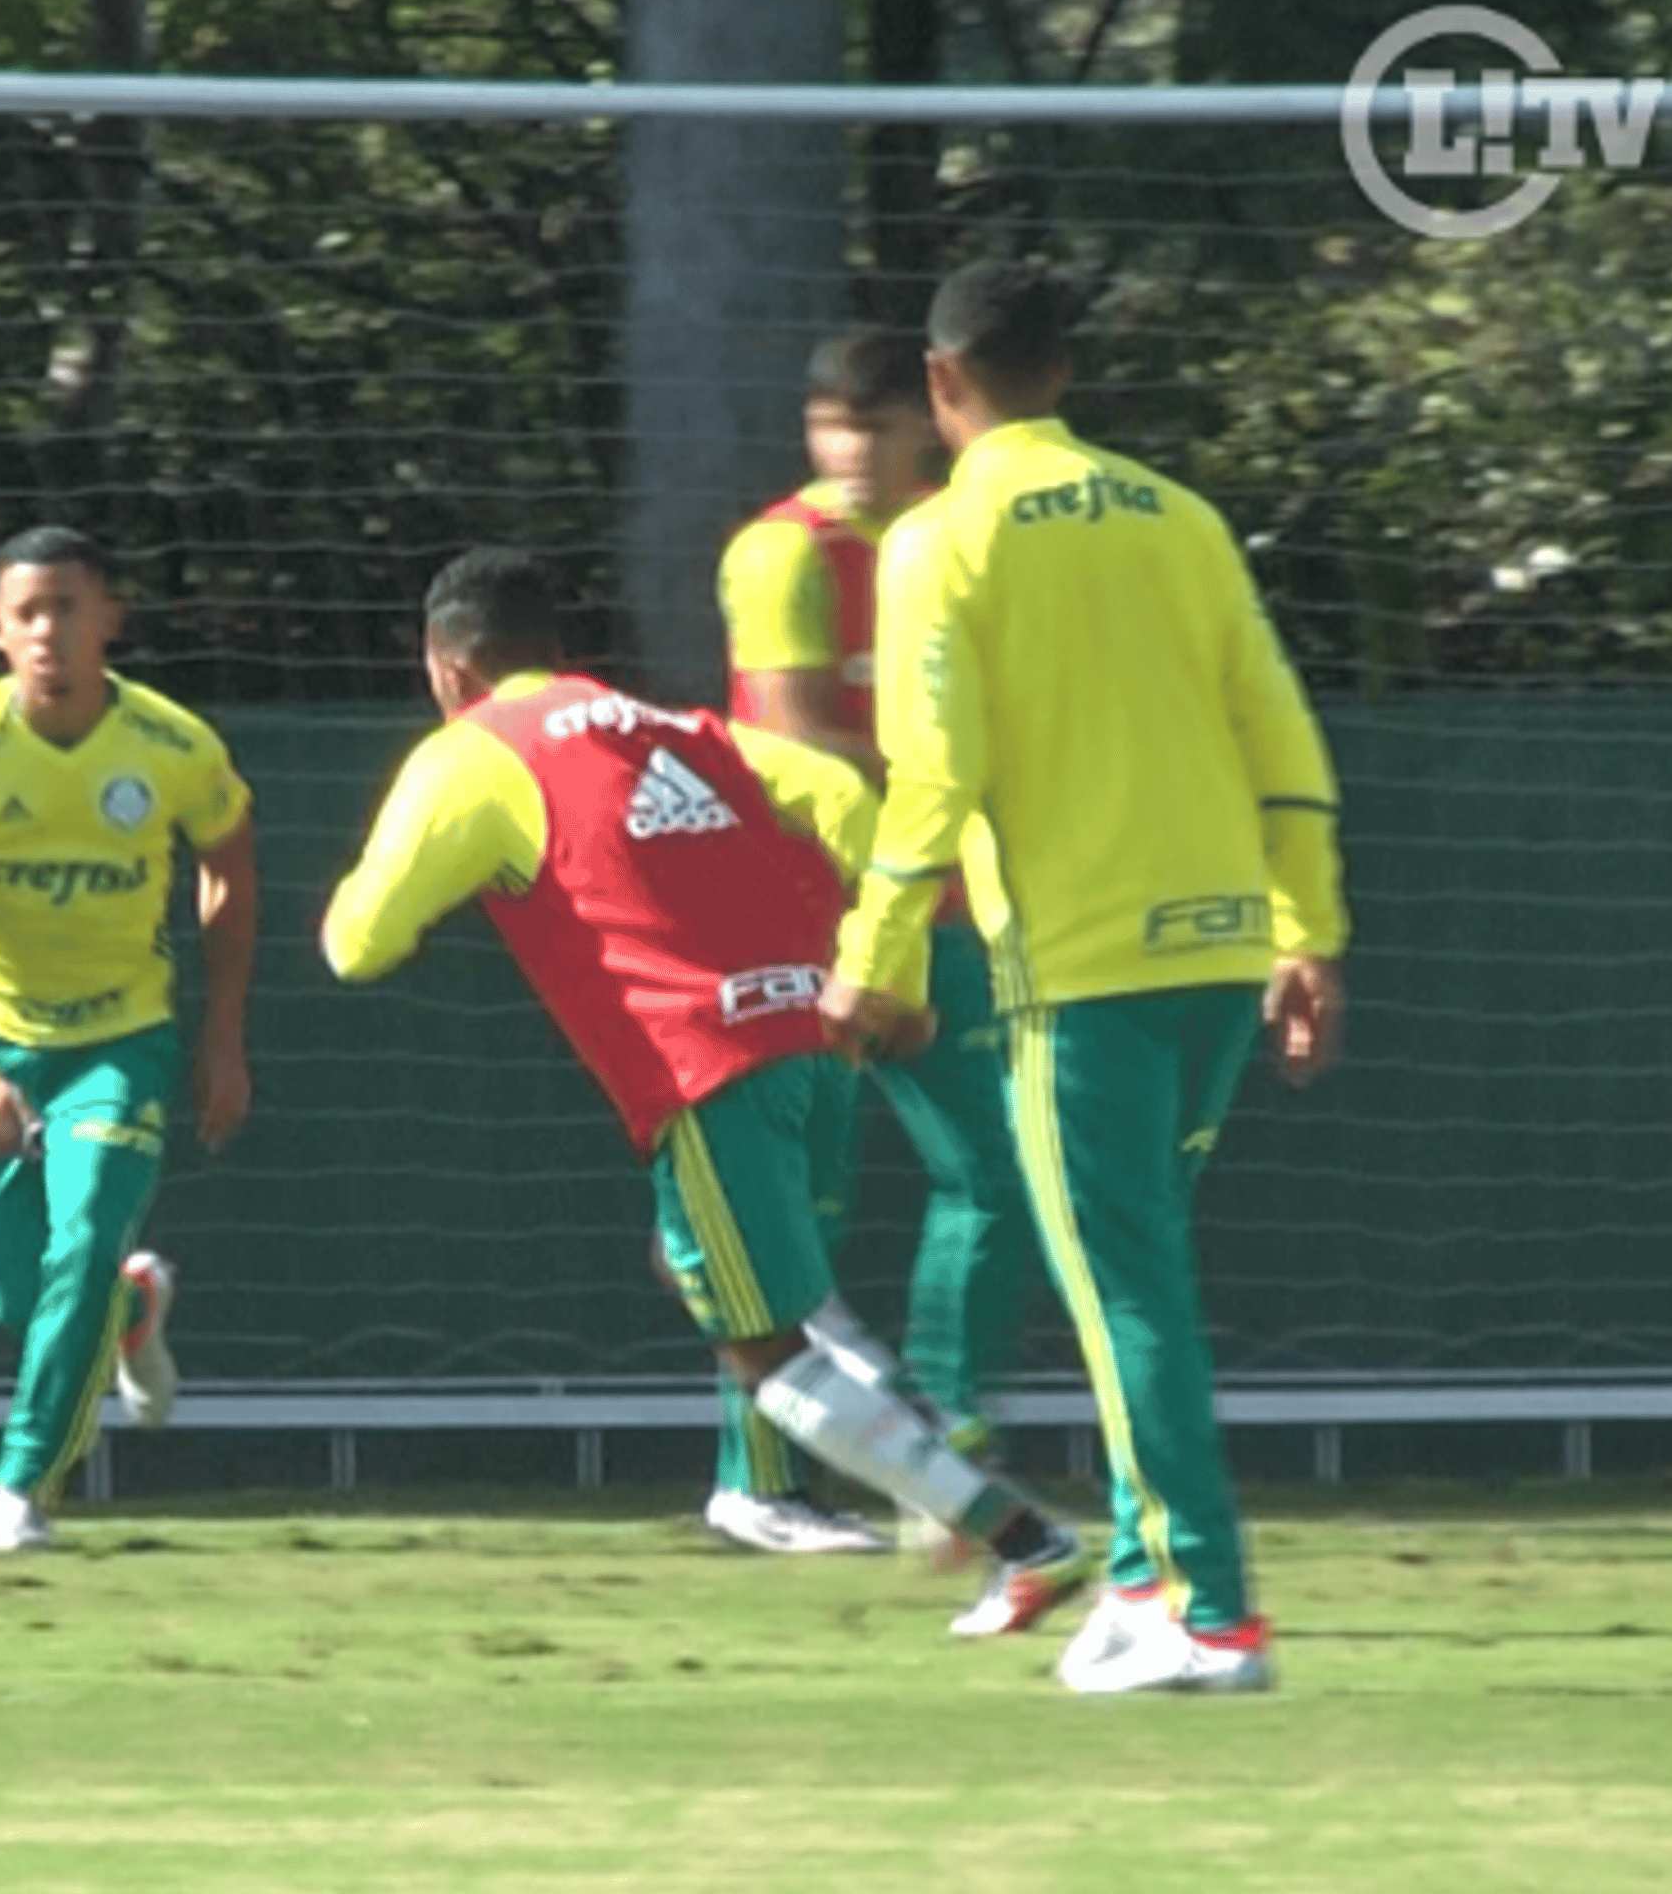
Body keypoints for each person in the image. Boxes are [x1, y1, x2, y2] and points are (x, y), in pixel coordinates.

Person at [321, 545, 1094, 1640]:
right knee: (710, 1271)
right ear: (557, 649)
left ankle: (1016, 1537)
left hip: (707, 1071)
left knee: (760, 1347)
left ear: (446, 665)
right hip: (814, 1042)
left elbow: (358, 944)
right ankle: (909, 1446)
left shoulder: (473, 756)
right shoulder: (670, 726)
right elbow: (841, 791)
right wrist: (891, 975)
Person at [822, 261, 1350, 1697]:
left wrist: (872, 958)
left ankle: (1214, 1612)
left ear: (943, 387)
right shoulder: (1182, 519)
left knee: (1130, 1294)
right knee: (1143, 1274)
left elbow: (934, 774)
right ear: (1065, 372)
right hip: (1222, 950)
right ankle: (1136, 1575)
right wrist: (1309, 929)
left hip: (1079, 974)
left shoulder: (943, 539)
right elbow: (1280, 735)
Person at [714, 328, 1054, 1547]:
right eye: (830, 426)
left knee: (996, 1172)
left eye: (874, 424)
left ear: (929, 422)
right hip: (798, 921)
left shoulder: (953, 541)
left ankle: (952, 1455)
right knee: (790, 1204)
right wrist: (964, 777)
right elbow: (800, 737)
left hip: (931, 910)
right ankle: (759, 1484)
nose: (851, 451)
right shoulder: (780, 554)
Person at [0, 527, 259, 1553]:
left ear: (110, 620)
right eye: (29, 612)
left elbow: (229, 865)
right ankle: (136, 1313)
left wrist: (222, 1037)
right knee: (28, 1297)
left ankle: (19, 1485)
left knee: (85, 1239)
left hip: (120, 1041)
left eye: (71, 607)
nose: (52, 630)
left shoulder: (172, 746)